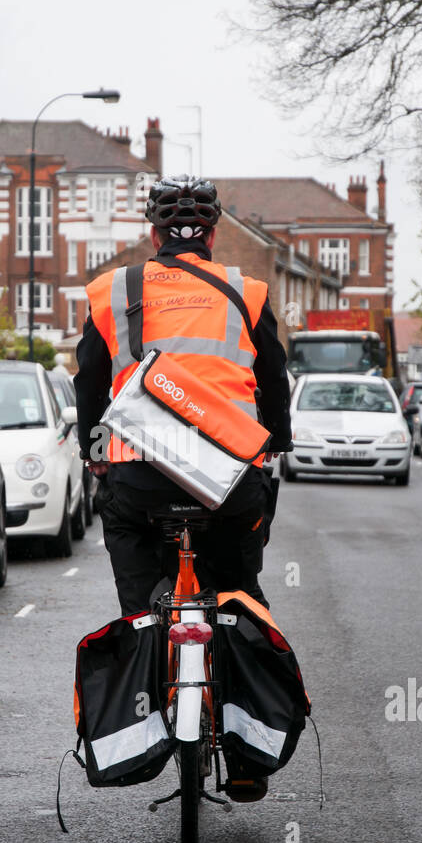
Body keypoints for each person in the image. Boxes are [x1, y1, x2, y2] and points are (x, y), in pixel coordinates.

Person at [74, 175, 293, 617]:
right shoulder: (247, 293)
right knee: (240, 596)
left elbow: (89, 382)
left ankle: (141, 629)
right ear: (212, 235)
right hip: (229, 476)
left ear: (153, 234)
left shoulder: (112, 291)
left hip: (138, 475)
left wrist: (93, 451)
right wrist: (275, 443)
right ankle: (243, 639)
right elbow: (273, 377)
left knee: (135, 600)